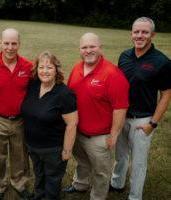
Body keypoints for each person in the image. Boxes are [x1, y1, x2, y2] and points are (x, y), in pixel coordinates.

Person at [62, 32, 129, 200]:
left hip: (99, 137)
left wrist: (113, 135)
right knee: (82, 162)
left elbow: (120, 108)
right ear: (80, 49)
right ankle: (80, 185)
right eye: (84, 47)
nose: (88, 50)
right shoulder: (77, 68)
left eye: (92, 46)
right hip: (77, 131)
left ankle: (97, 197)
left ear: (100, 48)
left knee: (101, 172)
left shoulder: (113, 74)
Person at [110, 17, 171, 200]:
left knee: (138, 162)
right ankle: (117, 183)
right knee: (120, 155)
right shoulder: (124, 56)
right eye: (136, 32)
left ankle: (135, 196)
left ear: (152, 35)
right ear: (131, 34)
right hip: (121, 116)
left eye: (144, 32)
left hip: (142, 119)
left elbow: (166, 94)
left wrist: (152, 123)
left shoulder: (162, 61)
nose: (139, 35)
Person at [0, 28, 32, 200]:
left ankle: (19, 183)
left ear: (19, 44)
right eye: (7, 43)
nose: (10, 47)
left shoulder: (28, 66)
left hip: (20, 120)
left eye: (14, 43)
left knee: (20, 155)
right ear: (0, 43)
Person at [21, 51, 78, 200]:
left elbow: (72, 124)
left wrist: (67, 150)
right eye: (41, 67)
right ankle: (39, 196)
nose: (44, 71)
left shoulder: (64, 94)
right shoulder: (33, 87)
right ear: (36, 69)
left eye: (49, 67)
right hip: (33, 146)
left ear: (56, 70)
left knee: (52, 180)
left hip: (53, 149)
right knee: (39, 174)